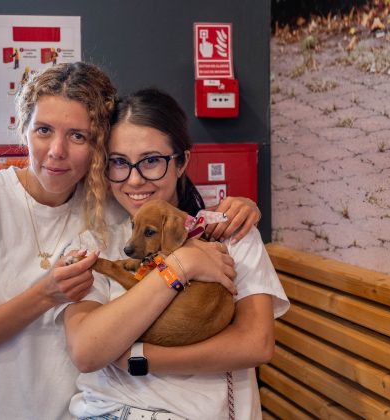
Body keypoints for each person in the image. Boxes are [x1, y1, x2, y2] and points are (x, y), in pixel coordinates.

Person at [0, 63, 260, 420]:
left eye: (78, 136)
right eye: (43, 130)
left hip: (68, 412)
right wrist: (46, 295)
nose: (57, 150)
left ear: (97, 147)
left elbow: (167, 215)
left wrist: (238, 210)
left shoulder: (115, 208)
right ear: (23, 129)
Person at [60, 88, 290, 420]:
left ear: (181, 162)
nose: (134, 179)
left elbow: (256, 343)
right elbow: (86, 350)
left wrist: (138, 358)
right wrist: (182, 265)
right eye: (119, 163)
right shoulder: (95, 243)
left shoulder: (230, 234)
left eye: (151, 161)